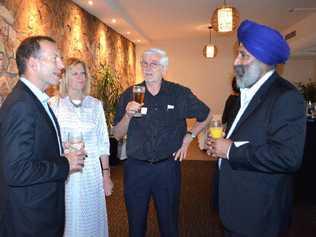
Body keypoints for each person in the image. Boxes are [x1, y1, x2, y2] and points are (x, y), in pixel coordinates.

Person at [207, 20, 306, 237]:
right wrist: (220, 144)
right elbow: (245, 136)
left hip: (259, 214)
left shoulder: (286, 97)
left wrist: (230, 150)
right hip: (235, 205)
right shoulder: (244, 94)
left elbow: (288, 157)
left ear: (263, 61)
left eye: (243, 55)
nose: (235, 62)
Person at [113, 48, 212, 237]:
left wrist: (189, 137)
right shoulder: (130, 94)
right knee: (135, 224)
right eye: (144, 63)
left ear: (164, 68)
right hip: (136, 169)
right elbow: (117, 134)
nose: (148, 68)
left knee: (169, 224)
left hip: (167, 168)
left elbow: (206, 114)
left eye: (154, 64)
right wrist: (127, 115)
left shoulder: (179, 93)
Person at [0, 36, 86, 237]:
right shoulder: (21, 105)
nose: (61, 65)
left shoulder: (34, 99)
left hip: (39, 214)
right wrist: (65, 163)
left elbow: (31, 151)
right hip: (30, 221)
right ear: (33, 63)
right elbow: (16, 170)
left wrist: (58, 148)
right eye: (55, 58)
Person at [50, 57, 113, 237]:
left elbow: (103, 142)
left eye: (83, 73)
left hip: (91, 170)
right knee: (68, 217)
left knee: (91, 216)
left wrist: (106, 175)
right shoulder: (55, 104)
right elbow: (49, 140)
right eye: (75, 73)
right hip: (66, 170)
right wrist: (63, 145)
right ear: (65, 77)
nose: (80, 77)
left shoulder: (95, 105)